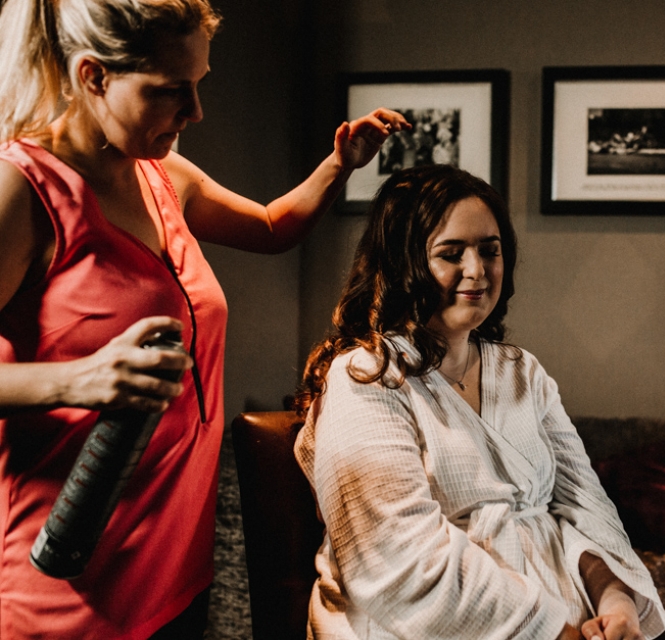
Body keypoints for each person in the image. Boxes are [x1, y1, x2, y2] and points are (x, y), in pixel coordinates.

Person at [0, 0, 410, 637]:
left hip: (175, 570)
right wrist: (79, 379)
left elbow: (274, 227)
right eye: (171, 91)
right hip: (66, 587)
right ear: (92, 76)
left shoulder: (162, 176)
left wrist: (341, 164)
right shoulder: (22, 190)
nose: (195, 112)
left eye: (199, 84)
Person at [293, 165, 665, 640]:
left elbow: (585, 506)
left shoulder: (521, 372)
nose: (477, 271)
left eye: (489, 251)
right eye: (451, 254)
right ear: (404, 263)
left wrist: (616, 601)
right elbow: (399, 561)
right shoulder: (366, 379)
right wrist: (558, 633)